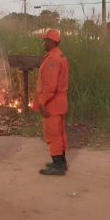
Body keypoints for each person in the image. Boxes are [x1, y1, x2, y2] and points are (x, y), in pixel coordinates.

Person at [32, 28, 69, 176]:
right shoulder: (60, 56)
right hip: (60, 102)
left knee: (52, 134)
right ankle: (61, 162)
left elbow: (50, 86)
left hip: (52, 104)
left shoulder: (53, 59)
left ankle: (57, 165)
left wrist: (42, 102)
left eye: (45, 40)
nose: (43, 42)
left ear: (52, 42)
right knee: (60, 133)